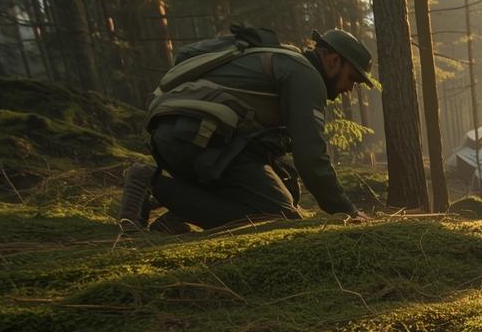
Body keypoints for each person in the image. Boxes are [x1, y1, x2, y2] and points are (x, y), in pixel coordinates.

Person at [119, 27, 378, 231]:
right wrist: (347, 211)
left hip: (187, 136)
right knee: (277, 217)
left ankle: (175, 218)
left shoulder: (288, 62)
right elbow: (311, 157)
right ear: (333, 60)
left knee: (285, 182)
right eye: (352, 79)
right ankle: (151, 183)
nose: (349, 90)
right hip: (196, 137)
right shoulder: (305, 76)